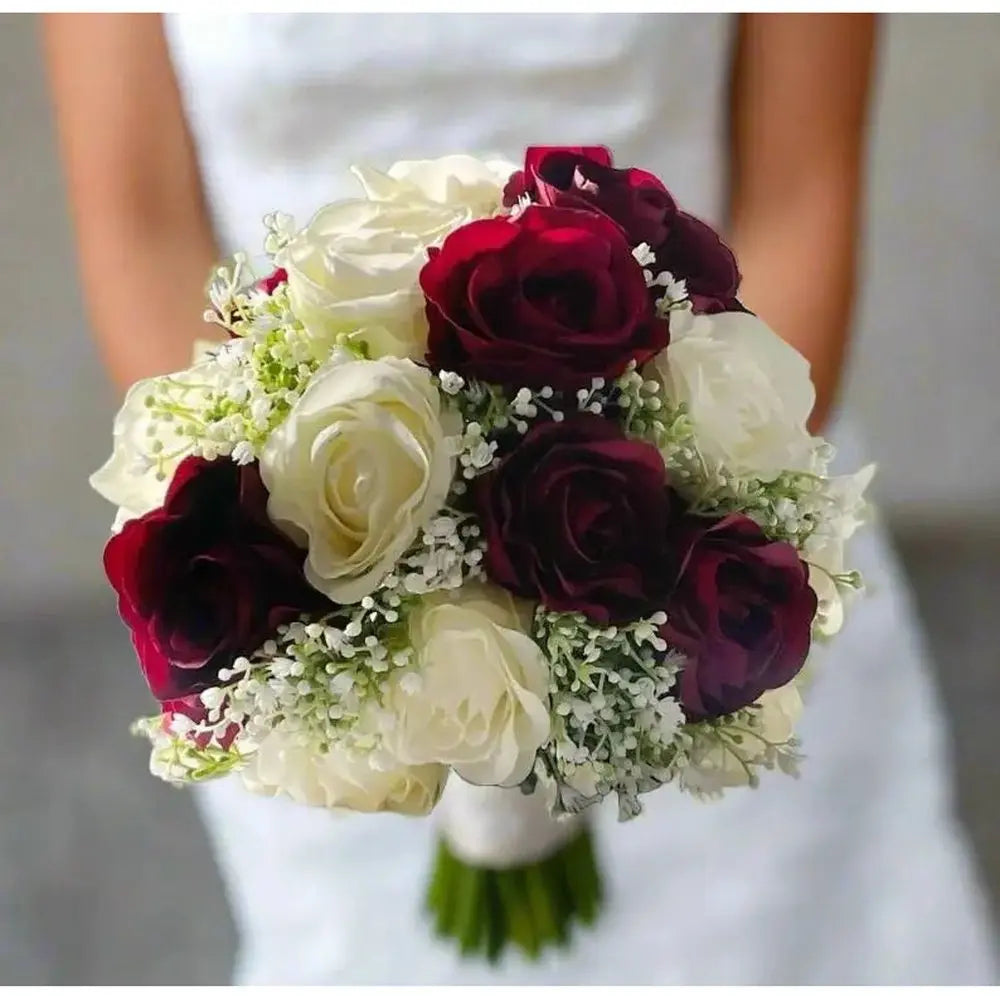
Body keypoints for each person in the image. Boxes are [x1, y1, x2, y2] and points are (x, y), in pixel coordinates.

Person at [44, 12, 998, 985]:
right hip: (311, 604)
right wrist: (316, 569)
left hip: (698, 584)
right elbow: (143, 229)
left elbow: (797, 194)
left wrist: (636, 560)